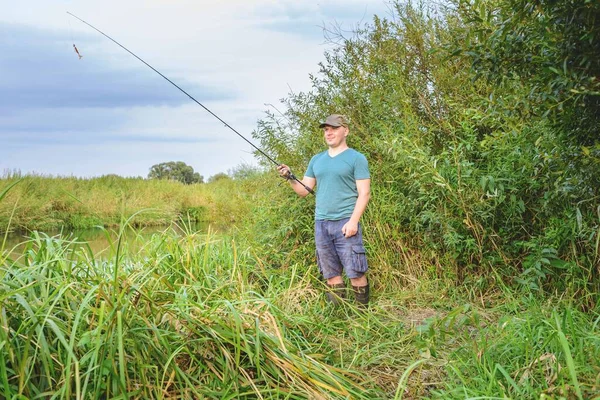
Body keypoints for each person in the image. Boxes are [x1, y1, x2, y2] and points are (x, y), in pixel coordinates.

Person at [277, 114, 371, 307]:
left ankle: (363, 317)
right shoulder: (317, 160)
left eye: (334, 128)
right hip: (321, 224)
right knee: (331, 274)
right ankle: (338, 317)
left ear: (346, 131)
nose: (329, 133)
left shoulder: (356, 158)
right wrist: (290, 177)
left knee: (356, 273)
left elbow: (364, 193)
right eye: (326, 129)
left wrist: (353, 221)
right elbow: (304, 190)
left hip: (346, 221)